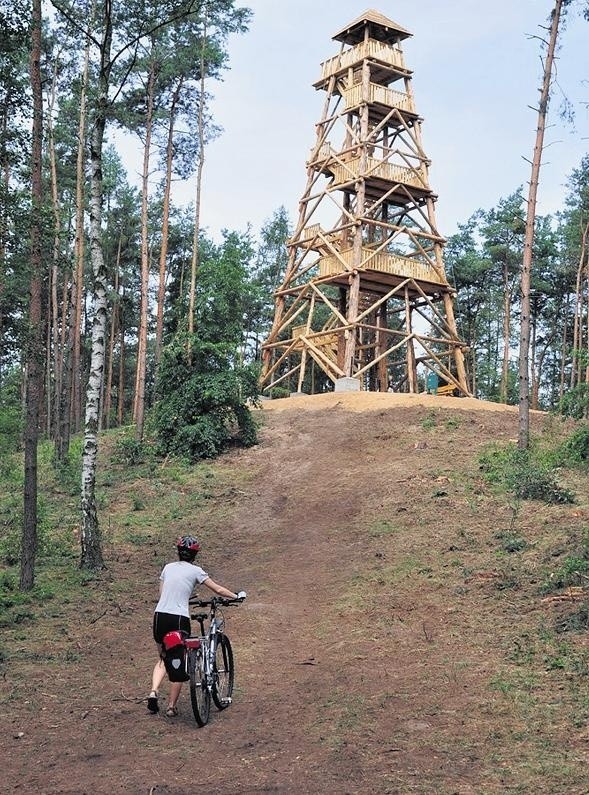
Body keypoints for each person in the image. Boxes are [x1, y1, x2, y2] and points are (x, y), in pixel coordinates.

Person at [147, 534, 245, 717]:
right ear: (194, 555)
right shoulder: (196, 571)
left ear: (178, 552)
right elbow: (218, 589)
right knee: (180, 660)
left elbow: (162, 594)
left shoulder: (167, 568)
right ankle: (170, 707)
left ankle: (153, 691)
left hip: (159, 617)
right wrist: (236, 595)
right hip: (178, 619)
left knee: (163, 657)